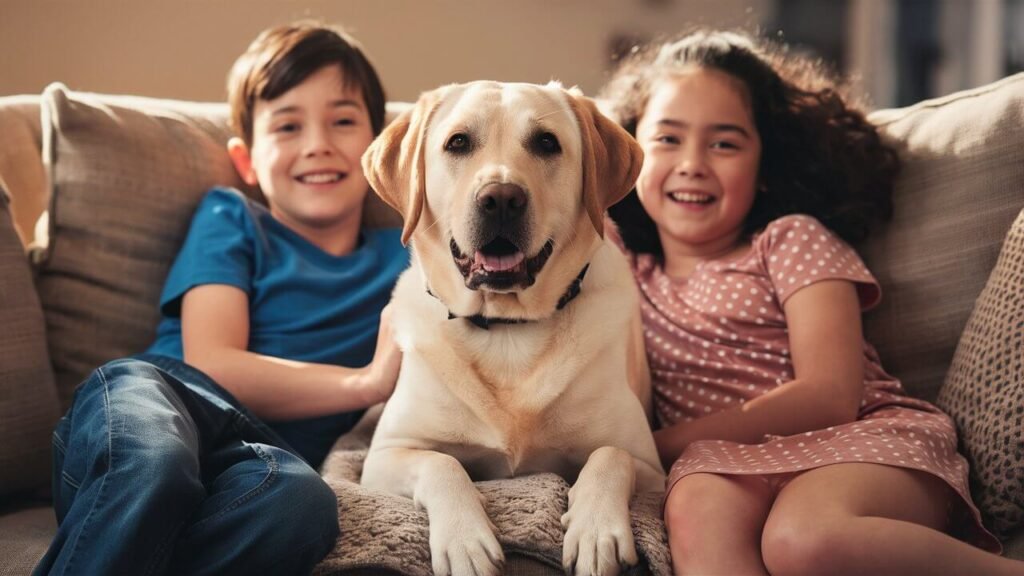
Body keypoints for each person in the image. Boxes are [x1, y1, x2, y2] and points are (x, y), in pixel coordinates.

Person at [600, 29, 1019, 575]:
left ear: (765, 166)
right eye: (667, 139)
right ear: (633, 155)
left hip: (858, 442)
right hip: (720, 465)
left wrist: (649, 445)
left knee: (802, 542)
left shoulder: (790, 239)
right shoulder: (624, 274)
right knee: (697, 506)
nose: (692, 163)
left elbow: (830, 395)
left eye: (724, 143)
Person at [34, 21, 408, 576]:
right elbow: (212, 362)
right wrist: (365, 383)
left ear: (379, 147)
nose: (318, 144)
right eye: (287, 125)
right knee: (156, 463)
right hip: (159, 401)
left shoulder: (406, 255)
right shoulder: (231, 217)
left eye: (344, 121)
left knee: (301, 507)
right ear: (247, 160)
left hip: (260, 461)